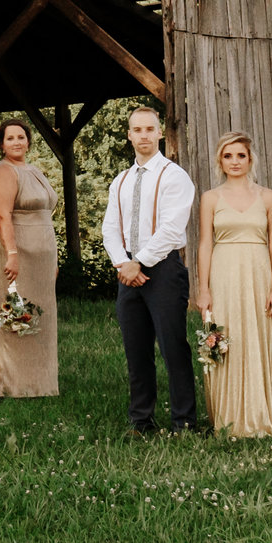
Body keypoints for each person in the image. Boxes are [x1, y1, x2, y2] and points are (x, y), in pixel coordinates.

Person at [100, 107, 197, 436]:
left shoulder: (174, 176)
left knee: (173, 346)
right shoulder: (121, 181)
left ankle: (184, 421)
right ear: (129, 134)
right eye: (136, 130)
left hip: (163, 268)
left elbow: (171, 228)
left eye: (149, 129)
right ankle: (141, 420)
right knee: (136, 348)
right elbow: (110, 228)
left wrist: (139, 261)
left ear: (160, 134)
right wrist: (123, 263)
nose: (143, 135)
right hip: (127, 272)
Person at [191, 132, 272, 439]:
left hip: (258, 273)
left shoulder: (268, 197)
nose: (235, 162)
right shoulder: (210, 198)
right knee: (224, 337)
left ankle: (259, 417)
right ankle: (227, 417)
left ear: (250, 158)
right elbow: (204, 244)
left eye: (240, 156)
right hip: (224, 272)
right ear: (220, 160)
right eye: (228, 156)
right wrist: (203, 289)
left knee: (256, 338)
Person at [0, 119, 60, 397]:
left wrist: (54, 258)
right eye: (10, 138)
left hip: (42, 255)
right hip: (15, 251)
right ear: (1, 144)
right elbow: (3, 215)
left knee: (42, 317)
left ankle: (41, 383)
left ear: (28, 141)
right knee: (15, 314)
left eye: (21, 137)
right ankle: (11, 385)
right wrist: (12, 254)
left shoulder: (35, 170)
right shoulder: (2, 171)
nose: (17, 142)